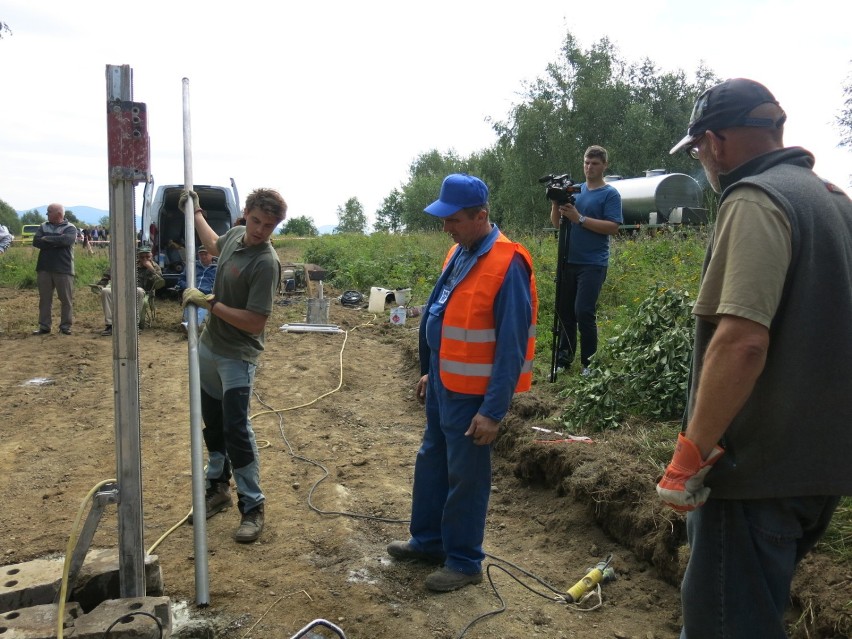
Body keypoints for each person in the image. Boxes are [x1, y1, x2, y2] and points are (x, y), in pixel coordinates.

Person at [657, 78, 852, 638]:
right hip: (820, 468)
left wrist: (690, 454)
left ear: (717, 143)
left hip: (754, 474)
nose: (700, 160)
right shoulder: (830, 199)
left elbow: (741, 341)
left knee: (727, 623)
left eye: (697, 149)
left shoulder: (754, 200)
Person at [387, 174, 538, 592]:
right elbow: (444, 314)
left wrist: (493, 411)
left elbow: (512, 346)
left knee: (466, 478)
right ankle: (429, 542)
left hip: (473, 396)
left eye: (453, 219)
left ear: (481, 216)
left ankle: (464, 560)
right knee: (432, 461)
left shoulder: (509, 263)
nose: (446, 227)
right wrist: (428, 370)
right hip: (442, 383)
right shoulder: (459, 251)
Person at [180, 187, 286, 543]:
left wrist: (210, 304)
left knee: (237, 430)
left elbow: (255, 322)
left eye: (269, 226)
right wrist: (194, 212)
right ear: (246, 214)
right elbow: (213, 244)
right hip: (209, 348)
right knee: (213, 424)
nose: (259, 230)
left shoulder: (266, 263)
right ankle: (217, 489)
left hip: (237, 357)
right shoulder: (238, 236)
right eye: (256, 221)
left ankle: (253, 507)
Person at [550, 145, 622, 375]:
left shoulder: (610, 194)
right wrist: (556, 202)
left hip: (593, 263)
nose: (589, 167)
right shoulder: (574, 190)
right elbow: (556, 224)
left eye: (595, 163)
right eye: (586, 162)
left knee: (583, 311)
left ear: (604, 166)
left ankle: (589, 363)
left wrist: (579, 218)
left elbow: (612, 227)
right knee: (565, 312)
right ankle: (563, 360)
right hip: (567, 260)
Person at [98, 244, 165, 336]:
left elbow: (160, 282)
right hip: (125, 288)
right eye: (142, 257)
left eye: (147, 256)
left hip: (143, 292)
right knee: (106, 291)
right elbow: (111, 271)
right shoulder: (131, 264)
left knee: (139, 291)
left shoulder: (155, 267)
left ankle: (133, 325)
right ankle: (110, 325)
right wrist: (102, 284)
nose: (145, 259)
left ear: (151, 256)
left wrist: (151, 269)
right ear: (138, 257)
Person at [32, 203, 77, 335]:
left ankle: (65, 326)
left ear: (58, 214)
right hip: (44, 268)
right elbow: (36, 241)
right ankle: (44, 326)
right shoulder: (43, 226)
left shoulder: (70, 228)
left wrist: (46, 239)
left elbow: (66, 241)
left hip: (64, 269)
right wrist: (56, 241)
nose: (47, 214)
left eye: (49, 211)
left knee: (66, 299)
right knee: (45, 299)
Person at [175, 246, 218, 331]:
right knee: (191, 300)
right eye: (201, 254)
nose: (203, 256)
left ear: (211, 254)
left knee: (204, 302)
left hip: (207, 294)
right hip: (191, 292)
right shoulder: (192, 266)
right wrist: (189, 287)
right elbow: (181, 280)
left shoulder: (217, 268)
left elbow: (220, 284)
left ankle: (190, 326)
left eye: (205, 254)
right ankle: (191, 326)